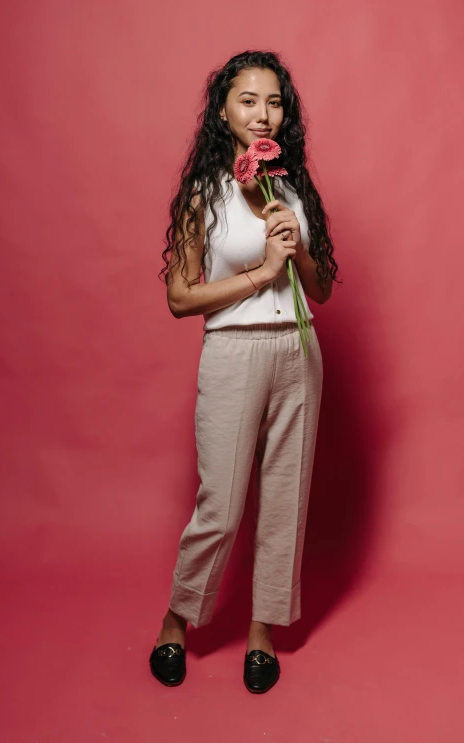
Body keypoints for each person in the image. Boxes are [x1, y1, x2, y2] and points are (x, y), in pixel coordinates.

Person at [150, 50, 341, 693]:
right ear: (224, 111)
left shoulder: (291, 185)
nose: (264, 115)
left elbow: (321, 291)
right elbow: (180, 298)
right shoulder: (202, 192)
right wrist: (260, 271)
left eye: (275, 102)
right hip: (234, 351)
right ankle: (178, 620)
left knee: (285, 501)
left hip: (299, 349)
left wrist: (298, 243)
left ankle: (262, 633)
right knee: (222, 505)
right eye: (249, 101)